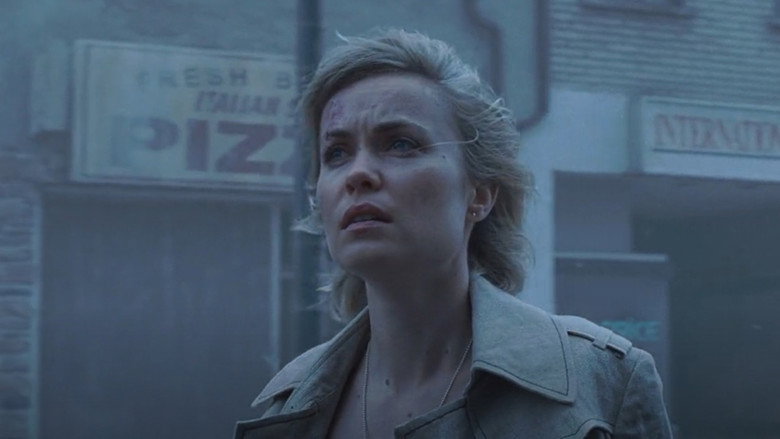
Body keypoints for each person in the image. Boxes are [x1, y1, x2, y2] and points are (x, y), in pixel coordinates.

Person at [235, 29, 672, 438]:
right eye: (336, 153)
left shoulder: (601, 379)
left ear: (479, 193)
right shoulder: (290, 406)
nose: (358, 173)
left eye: (401, 144)